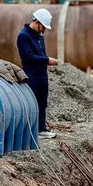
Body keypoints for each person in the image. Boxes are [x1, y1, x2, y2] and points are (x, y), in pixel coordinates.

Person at [17, 8, 59, 139]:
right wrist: (47, 60)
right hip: (32, 74)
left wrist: (46, 60)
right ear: (37, 22)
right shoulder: (23, 36)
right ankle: (30, 129)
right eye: (43, 27)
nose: (44, 30)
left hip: (42, 74)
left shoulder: (39, 36)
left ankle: (41, 129)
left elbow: (40, 54)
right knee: (32, 102)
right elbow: (28, 57)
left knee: (42, 101)